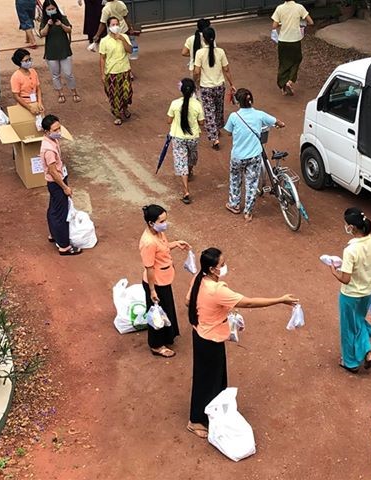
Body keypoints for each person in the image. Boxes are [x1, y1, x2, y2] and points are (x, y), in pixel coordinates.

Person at [185, 247, 298, 438]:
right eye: (222, 264)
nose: (225, 266)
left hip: (202, 334)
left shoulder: (199, 278)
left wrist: (214, 311)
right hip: (210, 339)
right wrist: (280, 300)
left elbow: (189, 301)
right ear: (213, 269)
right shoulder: (217, 290)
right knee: (207, 380)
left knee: (213, 377)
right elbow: (249, 302)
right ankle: (195, 421)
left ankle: (212, 411)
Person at [329, 207, 371, 373]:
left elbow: (346, 279)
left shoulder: (350, 250)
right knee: (359, 320)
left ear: (352, 227)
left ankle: (350, 363)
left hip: (350, 295)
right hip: (367, 292)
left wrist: (334, 271)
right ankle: (367, 354)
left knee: (348, 326)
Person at [222, 88, 285, 222]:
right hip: (254, 156)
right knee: (252, 184)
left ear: (237, 102)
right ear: (251, 100)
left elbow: (228, 132)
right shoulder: (259, 115)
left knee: (235, 179)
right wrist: (280, 125)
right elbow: (278, 122)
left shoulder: (234, 116)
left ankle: (234, 205)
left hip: (238, 156)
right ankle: (248, 213)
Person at [139, 204, 190, 358]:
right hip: (156, 283)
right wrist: (152, 290)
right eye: (161, 221)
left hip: (164, 280)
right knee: (157, 315)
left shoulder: (157, 234)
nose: (165, 224)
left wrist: (175, 243)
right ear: (151, 223)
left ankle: (166, 337)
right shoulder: (148, 242)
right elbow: (149, 268)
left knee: (166, 310)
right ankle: (156, 345)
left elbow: (163, 248)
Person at [40, 114, 81, 256]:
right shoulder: (49, 150)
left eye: (59, 128)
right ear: (46, 131)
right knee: (61, 214)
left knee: (54, 209)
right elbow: (52, 171)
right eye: (55, 130)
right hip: (57, 183)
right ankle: (64, 245)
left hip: (56, 182)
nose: (58, 132)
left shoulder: (51, 141)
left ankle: (53, 234)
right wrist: (65, 187)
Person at [193, 27, 235, 150]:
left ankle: (214, 138)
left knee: (209, 112)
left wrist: (195, 81)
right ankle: (216, 129)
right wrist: (231, 84)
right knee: (218, 109)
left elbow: (196, 71)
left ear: (203, 39)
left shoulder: (199, 53)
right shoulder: (220, 52)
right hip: (219, 86)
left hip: (206, 87)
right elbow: (226, 69)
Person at [167, 78, 205, 205]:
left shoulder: (175, 103)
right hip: (192, 137)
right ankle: (190, 170)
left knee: (181, 161)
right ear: (194, 90)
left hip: (178, 137)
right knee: (192, 157)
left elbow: (169, 120)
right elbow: (201, 122)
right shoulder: (197, 105)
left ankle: (186, 190)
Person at [40, 0, 81, 104]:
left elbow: (69, 30)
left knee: (68, 74)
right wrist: (48, 25)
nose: (51, 11)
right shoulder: (44, 20)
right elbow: (42, 33)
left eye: (52, 8)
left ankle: (74, 92)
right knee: (55, 75)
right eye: (48, 9)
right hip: (51, 52)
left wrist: (61, 24)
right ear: (45, 10)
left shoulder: (62, 18)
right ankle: (60, 93)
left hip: (64, 50)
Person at [271, 0, 313, 96]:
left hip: (283, 40)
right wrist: (299, 22)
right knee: (296, 60)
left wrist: (283, 23)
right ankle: (290, 81)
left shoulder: (280, 8)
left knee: (283, 63)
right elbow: (310, 22)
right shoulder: (299, 7)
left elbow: (274, 25)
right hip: (295, 40)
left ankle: (283, 86)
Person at [99, 16, 133, 125]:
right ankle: (117, 115)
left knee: (127, 92)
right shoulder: (104, 41)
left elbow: (130, 50)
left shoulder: (124, 37)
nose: (115, 27)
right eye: (113, 25)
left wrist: (122, 39)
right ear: (108, 27)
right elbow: (102, 58)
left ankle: (125, 107)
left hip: (125, 70)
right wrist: (103, 74)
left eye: (117, 24)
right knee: (115, 95)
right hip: (112, 72)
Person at [10, 48, 45, 117]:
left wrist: (40, 102)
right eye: (26, 60)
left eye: (29, 59)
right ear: (19, 62)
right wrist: (29, 108)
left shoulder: (33, 71)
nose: (29, 62)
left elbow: (38, 88)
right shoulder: (16, 76)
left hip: (35, 102)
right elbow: (16, 96)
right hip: (24, 105)